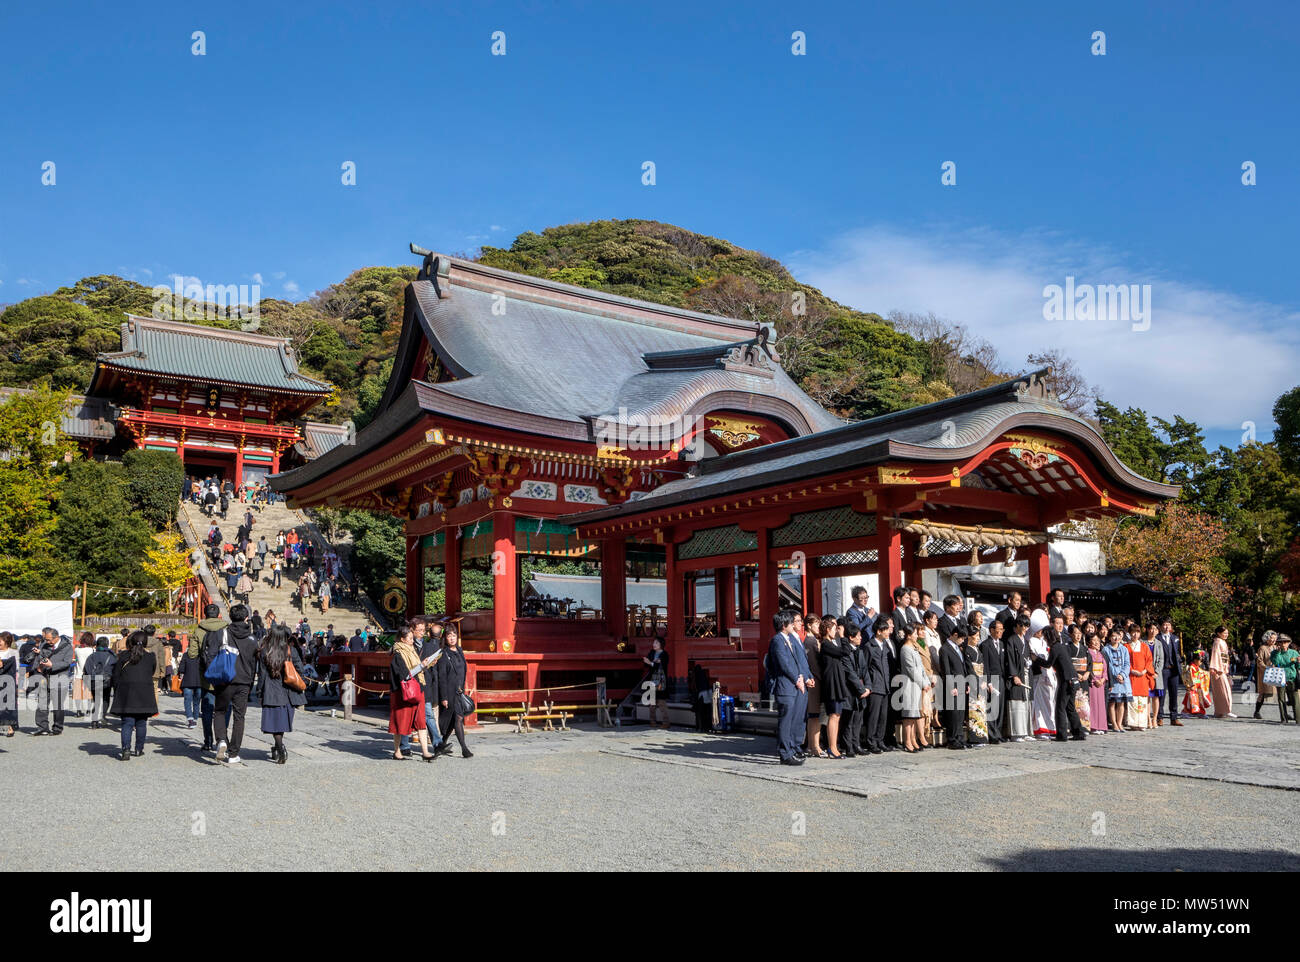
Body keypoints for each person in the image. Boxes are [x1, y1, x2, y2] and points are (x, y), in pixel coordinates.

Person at [208, 603, 259, 765]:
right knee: (239, 716)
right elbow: (254, 662)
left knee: (220, 711)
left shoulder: (221, 633)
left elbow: (209, 654)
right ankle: (234, 752)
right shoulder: (252, 638)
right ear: (246, 618)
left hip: (224, 679)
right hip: (244, 681)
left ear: (230, 617)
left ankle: (221, 740)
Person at [388, 625, 439, 761]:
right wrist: (421, 666)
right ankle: (397, 750)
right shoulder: (399, 654)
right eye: (410, 638)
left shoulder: (411, 651)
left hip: (417, 689)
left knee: (421, 721)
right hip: (403, 692)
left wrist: (426, 665)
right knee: (400, 723)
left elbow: (416, 671)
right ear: (403, 640)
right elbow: (405, 675)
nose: (412, 640)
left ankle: (425, 751)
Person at [258, 623, 307, 763]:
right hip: (288, 692)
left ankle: (280, 748)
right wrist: (301, 684)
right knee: (281, 723)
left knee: (274, 724)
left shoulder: (265, 651)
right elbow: (300, 670)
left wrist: (259, 692)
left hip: (271, 691)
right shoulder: (290, 650)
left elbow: (261, 674)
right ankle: (278, 747)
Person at [766, 611, 809, 765]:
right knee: (785, 721)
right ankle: (785, 753)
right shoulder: (777, 640)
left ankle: (790, 749)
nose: (793, 625)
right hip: (785, 685)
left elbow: (796, 662)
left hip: (793, 684)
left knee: (791, 720)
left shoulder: (788, 639)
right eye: (791, 623)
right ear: (784, 625)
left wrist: (801, 677)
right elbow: (784, 664)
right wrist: (796, 679)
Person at [109, 630, 157, 761]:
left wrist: (116, 688)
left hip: (126, 691)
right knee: (141, 723)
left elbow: (116, 674)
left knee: (127, 723)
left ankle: (125, 749)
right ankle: (139, 748)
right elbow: (152, 672)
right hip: (144, 691)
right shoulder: (151, 657)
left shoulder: (123, 655)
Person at [192, 603, 228, 751]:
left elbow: (192, 654)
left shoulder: (199, 630)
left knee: (207, 710)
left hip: (206, 676)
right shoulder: (226, 629)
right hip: (225, 676)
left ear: (205, 614)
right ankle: (223, 739)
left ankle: (208, 741)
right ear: (219, 615)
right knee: (225, 709)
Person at [434, 626, 474, 758]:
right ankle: (464, 748)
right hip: (449, 692)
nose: (452, 638)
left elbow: (463, 671)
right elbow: (442, 676)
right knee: (458, 717)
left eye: (454, 635)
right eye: (449, 635)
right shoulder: (443, 653)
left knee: (453, 720)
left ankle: (442, 743)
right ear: (445, 638)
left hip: (458, 690)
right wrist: (444, 697)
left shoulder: (460, 651)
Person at [817, 614, 852, 759]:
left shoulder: (831, 643)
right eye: (833, 629)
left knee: (837, 715)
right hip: (831, 683)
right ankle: (832, 747)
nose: (835, 631)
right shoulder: (826, 644)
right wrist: (843, 637)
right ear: (827, 630)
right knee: (833, 715)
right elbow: (845, 652)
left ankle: (834, 746)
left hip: (837, 681)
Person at [30, 627, 74, 736]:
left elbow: (67, 663)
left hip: (60, 677)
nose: (47, 642)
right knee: (42, 702)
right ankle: (42, 727)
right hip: (44, 676)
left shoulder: (67, 647)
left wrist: (52, 665)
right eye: (46, 639)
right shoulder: (44, 644)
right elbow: (41, 657)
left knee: (58, 704)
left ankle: (57, 727)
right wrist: (38, 666)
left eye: (49, 640)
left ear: (56, 637)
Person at [938, 620, 970, 750]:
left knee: (960, 713)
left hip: (962, 683)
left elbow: (963, 667)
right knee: (953, 713)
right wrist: (952, 686)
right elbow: (946, 670)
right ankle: (952, 739)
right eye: (961, 638)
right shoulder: (944, 649)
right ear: (955, 635)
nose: (962, 641)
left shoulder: (958, 648)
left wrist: (967, 683)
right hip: (953, 685)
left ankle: (960, 738)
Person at [1027, 610, 1057, 739]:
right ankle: (1040, 728)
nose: (1041, 632)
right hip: (1039, 675)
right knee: (1039, 704)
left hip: (1049, 674)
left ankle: (1050, 727)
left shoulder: (1045, 642)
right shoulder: (1031, 641)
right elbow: (1034, 656)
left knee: (1050, 702)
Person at [898, 622, 927, 753]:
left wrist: (925, 681)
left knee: (915, 715)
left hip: (917, 685)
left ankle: (913, 739)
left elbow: (920, 668)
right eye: (915, 633)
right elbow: (911, 670)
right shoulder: (905, 649)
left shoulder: (914, 648)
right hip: (909, 685)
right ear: (909, 635)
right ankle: (907, 741)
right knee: (908, 716)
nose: (917, 636)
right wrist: (923, 683)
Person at [840, 624, 869, 756]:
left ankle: (857, 744)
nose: (860, 638)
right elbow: (850, 673)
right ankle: (848, 746)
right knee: (848, 720)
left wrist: (868, 687)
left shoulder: (860, 651)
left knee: (859, 719)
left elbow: (865, 671)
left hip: (861, 690)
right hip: (850, 690)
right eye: (858, 636)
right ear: (851, 637)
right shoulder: (846, 652)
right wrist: (861, 689)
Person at [1004, 614, 1032, 741]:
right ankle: (1016, 733)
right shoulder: (1011, 640)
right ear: (1017, 626)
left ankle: (1025, 732)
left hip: (1025, 674)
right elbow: (1009, 658)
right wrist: (1014, 675)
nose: (1025, 628)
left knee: (1026, 703)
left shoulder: (1025, 641)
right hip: (1017, 675)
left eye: (1027, 626)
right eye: (1023, 626)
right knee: (1016, 704)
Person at [979, 617, 1007, 745]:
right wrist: (988, 681)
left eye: (1002, 630)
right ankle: (992, 734)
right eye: (998, 630)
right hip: (992, 678)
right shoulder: (985, 645)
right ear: (991, 630)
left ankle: (999, 732)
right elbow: (985, 665)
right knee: (992, 707)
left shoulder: (1001, 644)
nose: (1001, 632)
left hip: (1001, 678)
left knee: (1000, 707)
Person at [800, 615, 825, 757]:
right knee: (814, 715)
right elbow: (814, 666)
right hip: (815, 681)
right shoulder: (809, 642)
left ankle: (812, 745)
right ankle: (814, 746)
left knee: (815, 715)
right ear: (809, 625)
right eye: (816, 624)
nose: (818, 627)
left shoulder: (814, 640)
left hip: (816, 681)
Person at [82, 637, 117, 730]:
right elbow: (115, 669)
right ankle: (103, 716)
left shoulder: (92, 656)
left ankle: (94, 721)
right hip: (107, 680)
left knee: (96, 700)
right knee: (105, 699)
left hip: (94, 680)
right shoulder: (112, 656)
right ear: (107, 644)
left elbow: (87, 669)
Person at [1102, 629, 1132, 731]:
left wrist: (1122, 675)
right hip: (1112, 679)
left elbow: (1127, 664)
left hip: (1123, 680)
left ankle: (1120, 723)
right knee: (1112, 702)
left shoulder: (1124, 649)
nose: (1116, 638)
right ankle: (1114, 723)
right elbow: (1108, 664)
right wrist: (1116, 675)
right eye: (1113, 636)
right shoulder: (1106, 650)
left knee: (1121, 703)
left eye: (1118, 636)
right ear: (1109, 637)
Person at [1156, 620, 1184, 727]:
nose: (1167, 627)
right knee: (1161, 694)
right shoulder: (1157, 638)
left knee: (1174, 694)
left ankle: (1174, 717)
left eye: (1168, 625)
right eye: (1164, 624)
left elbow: (1177, 653)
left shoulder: (1175, 638)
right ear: (1160, 626)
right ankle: (1160, 717)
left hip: (1174, 669)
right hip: (1163, 669)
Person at [642, 637, 670, 728]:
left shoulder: (665, 654)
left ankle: (666, 722)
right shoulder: (652, 653)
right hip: (652, 680)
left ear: (661, 645)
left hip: (661, 680)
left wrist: (651, 663)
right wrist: (650, 662)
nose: (654, 644)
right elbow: (648, 664)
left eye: (656, 643)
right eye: (654, 643)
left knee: (661, 702)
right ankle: (652, 721)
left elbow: (659, 666)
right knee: (652, 703)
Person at [1208, 626, 1235, 718]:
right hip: (1218, 669)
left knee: (1222, 690)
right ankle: (1225, 710)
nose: (1226, 635)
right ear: (1219, 633)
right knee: (1224, 690)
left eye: (1227, 633)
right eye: (1224, 633)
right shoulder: (1217, 642)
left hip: (1222, 668)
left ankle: (1220, 711)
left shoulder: (1222, 642)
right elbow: (1216, 655)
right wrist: (1216, 668)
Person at [1085, 631, 1109, 735]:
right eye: (1093, 640)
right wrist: (1094, 679)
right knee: (1093, 703)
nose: (1096, 642)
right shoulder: (1088, 652)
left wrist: (1103, 679)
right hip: (1093, 682)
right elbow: (1089, 668)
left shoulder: (1100, 654)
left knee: (1101, 704)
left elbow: (1105, 668)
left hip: (1101, 681)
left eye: (1097, 640)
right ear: (1089, 642)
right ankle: (1093, 726)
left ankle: (1101, 725)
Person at [1271, 635, 1298, 724]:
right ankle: (1283, 718)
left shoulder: (1294, 653)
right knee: (1281, 699)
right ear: (1278, 643)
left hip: (1292, 678)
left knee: (1295, 700)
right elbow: (1276, 662)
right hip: (1280, 678)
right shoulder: (1274, 653)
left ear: (1289, 643)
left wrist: (1299, 662)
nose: (1283, 644)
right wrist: (1278, 653)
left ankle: (1298, 719)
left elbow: (1298, 667)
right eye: (1281, 642)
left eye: (1285, 642)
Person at [1254, 631, 1277, 719]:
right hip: (1265, 673)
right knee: (1262, 693)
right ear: (1267, 638)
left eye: (1275, 638)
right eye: (1272, 638)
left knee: (1280, 691)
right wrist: (1266, 668)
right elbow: (1259, 661)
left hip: (1275, 673)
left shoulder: (1276, 648)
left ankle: (1284, 712)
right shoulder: (1262, 648)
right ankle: (1257, 711)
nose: (1273, 640)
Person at [1182, 652, 1211, 716]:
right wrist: (1192, 684)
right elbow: (1191, 677)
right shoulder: (1191, 667)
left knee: (1198, 699)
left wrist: (1205, 674)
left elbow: (1200, 674)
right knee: (1190, 700)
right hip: (1193, 685)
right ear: (1195, 660)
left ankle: (1198, 711)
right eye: (1200, 661)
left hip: (1197, 685)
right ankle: (1185, 711)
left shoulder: (1196, 667)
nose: (1201, 662)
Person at [0, 632, 17, 736]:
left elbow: (16, 668)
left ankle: (11, 727)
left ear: (6, 642)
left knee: (9, 706)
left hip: (8, 681)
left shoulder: (13, 653)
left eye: (0, 641)